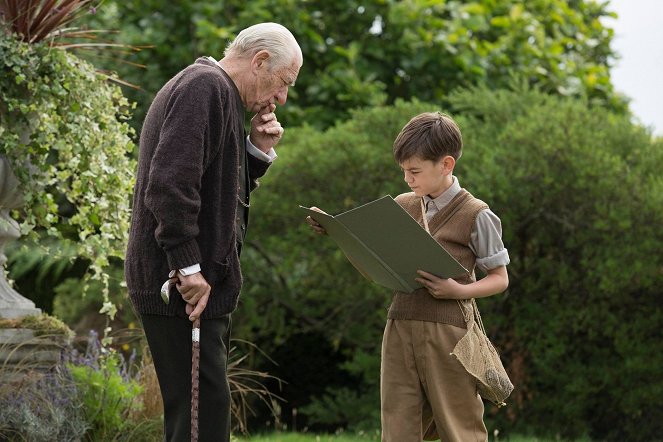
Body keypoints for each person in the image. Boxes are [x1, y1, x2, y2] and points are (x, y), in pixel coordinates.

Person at [125, 22, 303, 442]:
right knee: (200, 422)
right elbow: (169, 184)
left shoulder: (214, 91)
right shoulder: (206, 87)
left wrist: (255, 151)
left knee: (204, 414)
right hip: (183, 287)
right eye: (283, 82)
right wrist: (187, 267)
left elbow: (217, 192)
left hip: (191, 285)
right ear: (259, 61)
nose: (282, 97)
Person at [307, 112, 510, 441]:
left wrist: (455, 290)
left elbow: (500, 279)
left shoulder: (477, 213)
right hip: (400, 325)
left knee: (459, 426)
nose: (407, 179)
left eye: (414, 171)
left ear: (446, 165)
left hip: (450, 334)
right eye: (404, 171)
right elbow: (374, 252)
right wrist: (332, 230)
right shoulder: (402, 205)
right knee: (398, 425)